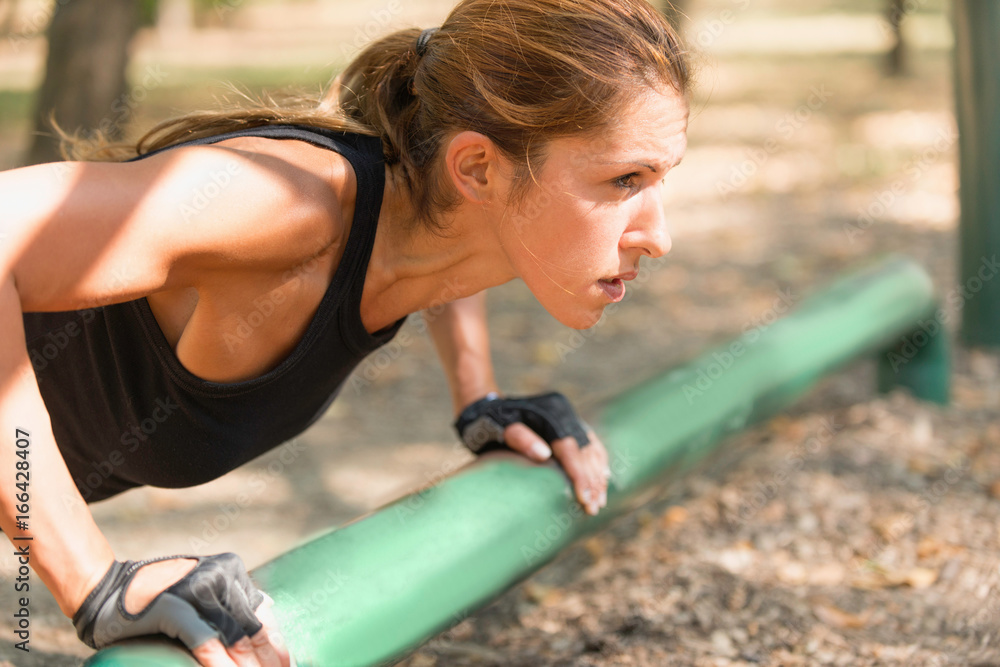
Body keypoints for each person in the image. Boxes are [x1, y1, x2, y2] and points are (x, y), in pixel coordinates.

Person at [0, 0, 690, 664]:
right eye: (625, 178)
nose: (659, 236)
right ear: (479, 167)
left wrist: (478, 398)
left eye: (661, 179)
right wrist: (95, 581)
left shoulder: (437, 222)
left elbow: (455, 250)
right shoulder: (288, 203)